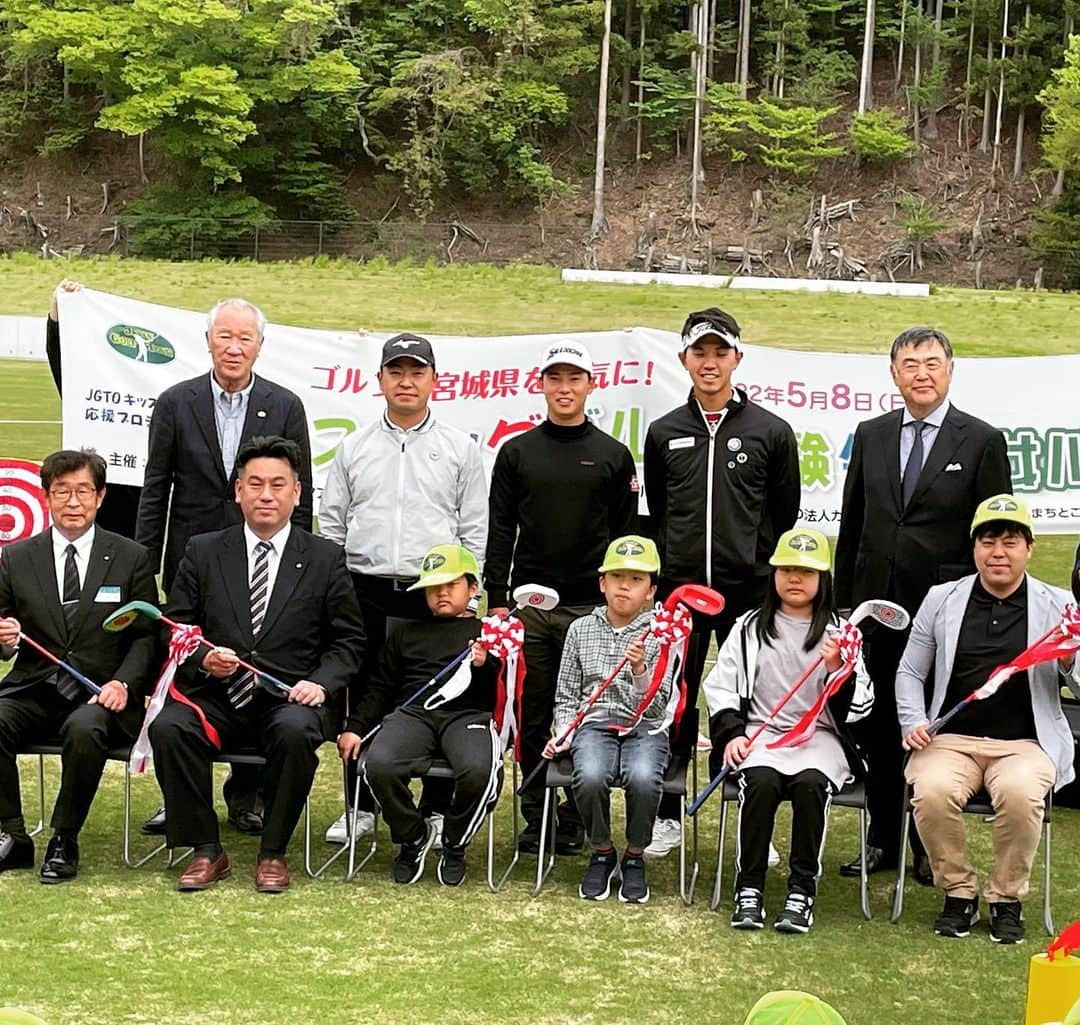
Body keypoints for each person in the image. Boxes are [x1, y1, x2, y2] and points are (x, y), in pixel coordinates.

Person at [148, 435, 364, 893]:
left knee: (295, 729)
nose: (266, 495)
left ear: (297, 493)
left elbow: (348, 642)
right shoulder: (203, 550)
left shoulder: (324, 558)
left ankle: (273, 852)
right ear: (238, 491)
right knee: (169, 727)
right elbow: (175, 625)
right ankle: (206, 849)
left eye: (278, 485)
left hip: (288, 698)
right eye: (256, 484)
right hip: (216, 695)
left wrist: (320, 685)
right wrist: (204, 656)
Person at [834, 326, 1011, 882]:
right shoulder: (870, 434)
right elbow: (854, 521)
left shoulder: (981, 440)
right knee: (880, 728)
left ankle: (927, 850)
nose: (921, 373)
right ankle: (882, 839)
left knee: (930, 731)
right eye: (910, 364)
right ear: (894, 374)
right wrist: (844, 606)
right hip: (876, 613)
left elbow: (994, 533)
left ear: (950, 370)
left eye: (932, 363)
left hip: (945, 616)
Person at [136, 297, 313, 835]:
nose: (234, 347)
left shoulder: (285, 404)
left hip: (263, 560)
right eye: (224, 336)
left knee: (252, 668)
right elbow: (155, 487)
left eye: (246, 338)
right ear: (208, 340)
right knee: (189, 677)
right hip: (195, 563)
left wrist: (299, 565)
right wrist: (147, 565)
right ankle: (180, 797)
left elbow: (297, 499)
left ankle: (246, 795)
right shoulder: (175, 401)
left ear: (261, 345)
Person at [318, 333, 488, 846]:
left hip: (432, 591)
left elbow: (474, 529)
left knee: (438, 696)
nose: (406, 381)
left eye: (417, 372)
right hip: (364, 588)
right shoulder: (354, 446)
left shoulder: (459, 448)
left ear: (435, 381)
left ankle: (435, 809)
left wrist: (469, 595)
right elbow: (331, 525)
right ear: (380, 381)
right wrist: (334, 591)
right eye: (396, 371)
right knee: (365, 693)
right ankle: (360, 805)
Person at [643, 307, 800, 857]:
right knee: (674, 703)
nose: (710, 363)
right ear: (684, 358)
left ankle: (747, 822)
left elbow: (785, 515)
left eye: (720, 352)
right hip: (681, 596)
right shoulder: (665, 432)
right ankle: (667, 812)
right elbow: (659, 513)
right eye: (699, 352)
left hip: (747, 592)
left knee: (744, 703)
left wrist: (759, 571)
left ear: (738, 357)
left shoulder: (771, 432)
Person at [897, 495, 1079, 943]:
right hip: (951, 738)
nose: (998, 552)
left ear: (1029, 549)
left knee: (1020, 795)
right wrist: (913, 721)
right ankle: (959, 893)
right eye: (988, 541)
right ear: (974, 547)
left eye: (1010, 541)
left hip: (1025, 744)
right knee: (932, 792)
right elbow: (910, 671)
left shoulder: (1060, 607)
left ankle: (1005, 898)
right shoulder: (942, 599)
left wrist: (1071, 660)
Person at [485, 339, 639, 855]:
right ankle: (537, 814)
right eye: (556, 378)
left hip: (593, 614)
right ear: (542, 385)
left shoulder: (615, 456)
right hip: (530, 610)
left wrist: (623, 606)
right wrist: (498, 599)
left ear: (590, 386)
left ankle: (575, 814)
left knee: (584, 714)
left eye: (574, 379)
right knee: (530, 714)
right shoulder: (516, 452)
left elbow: (625, 541)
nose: (565, 388)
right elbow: (500, 529)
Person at [702, 528, 873, 934]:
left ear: (823, 579)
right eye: (787, 569)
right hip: (761, 735)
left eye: (806, 571)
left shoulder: (841, 634)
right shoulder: (748, 627)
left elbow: (863, 703)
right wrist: (732, 736)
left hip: (820, 740)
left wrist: (838, 671)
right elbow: (720, 686)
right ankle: (749, 888)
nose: (795, 578)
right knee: (759, 782)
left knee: (812, 786)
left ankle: (801, 891)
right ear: (774, 574)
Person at [0, 449, 158, 882]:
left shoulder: (131, 557)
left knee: (85, 727)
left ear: (101, 496)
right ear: (46, 497)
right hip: (34, 686)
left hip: (102, 695)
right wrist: (5, 638)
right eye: (61, 491)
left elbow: (148, 636)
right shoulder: (16, 557)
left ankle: (64, 839)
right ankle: (12, 835)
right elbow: (2, 627)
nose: (73, 501)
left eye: (82, 491)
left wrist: (125, 683)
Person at [339, 545, 502, 887]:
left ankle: (455, 842)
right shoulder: (405, 633)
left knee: (478, 771)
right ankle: (413, 835)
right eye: (433, 587)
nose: (441, 594)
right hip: (413, 714)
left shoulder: (487, 634)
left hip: (467, 714)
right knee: (377, 765)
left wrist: (484, 663)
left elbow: (499, 693)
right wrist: (355, 728)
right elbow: (380, 688)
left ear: (473, 589)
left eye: (451, 585)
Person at [544, 535, 670, 904]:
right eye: (617, 577)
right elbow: (567, 695)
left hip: (645, 725)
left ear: (651, 590)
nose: (624, 587)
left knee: (645, 778)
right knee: (591, 775)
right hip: (595, 724)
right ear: (602, 583)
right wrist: (565, 732)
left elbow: (660, 706)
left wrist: (640, 669)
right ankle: (601, 849)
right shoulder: (580, 629)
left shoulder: (662, 635)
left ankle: (634, 854)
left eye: (636, 580)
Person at [45, 280, 141, 538]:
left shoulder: (158, 398)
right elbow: (61, 360)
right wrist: (58, 312)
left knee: (122, 563)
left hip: (132, 494)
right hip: (87, 485)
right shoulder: (90, 390)